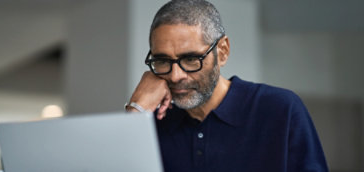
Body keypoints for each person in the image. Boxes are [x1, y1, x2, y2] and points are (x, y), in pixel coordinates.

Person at [125, 0, 328, 171]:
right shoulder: (151, 118)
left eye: (190, 59)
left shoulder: (281, 109)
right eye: (162, 61)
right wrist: (135, 109)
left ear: (222, 51)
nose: (175, 76)